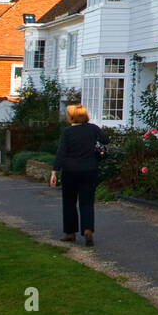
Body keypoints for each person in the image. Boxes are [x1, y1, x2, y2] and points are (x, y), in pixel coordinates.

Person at [49, 104, 107, 246]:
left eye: (68, 114)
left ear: (72, 116)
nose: (66, 117)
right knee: (86, 202)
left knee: (69, 201)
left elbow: (61, 153)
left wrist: (54, 171)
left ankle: (70, 233)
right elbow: (105, 140)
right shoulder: (93, 128)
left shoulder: (68, 132)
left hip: (70, 171)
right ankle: (87, 230)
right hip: (89, 169)